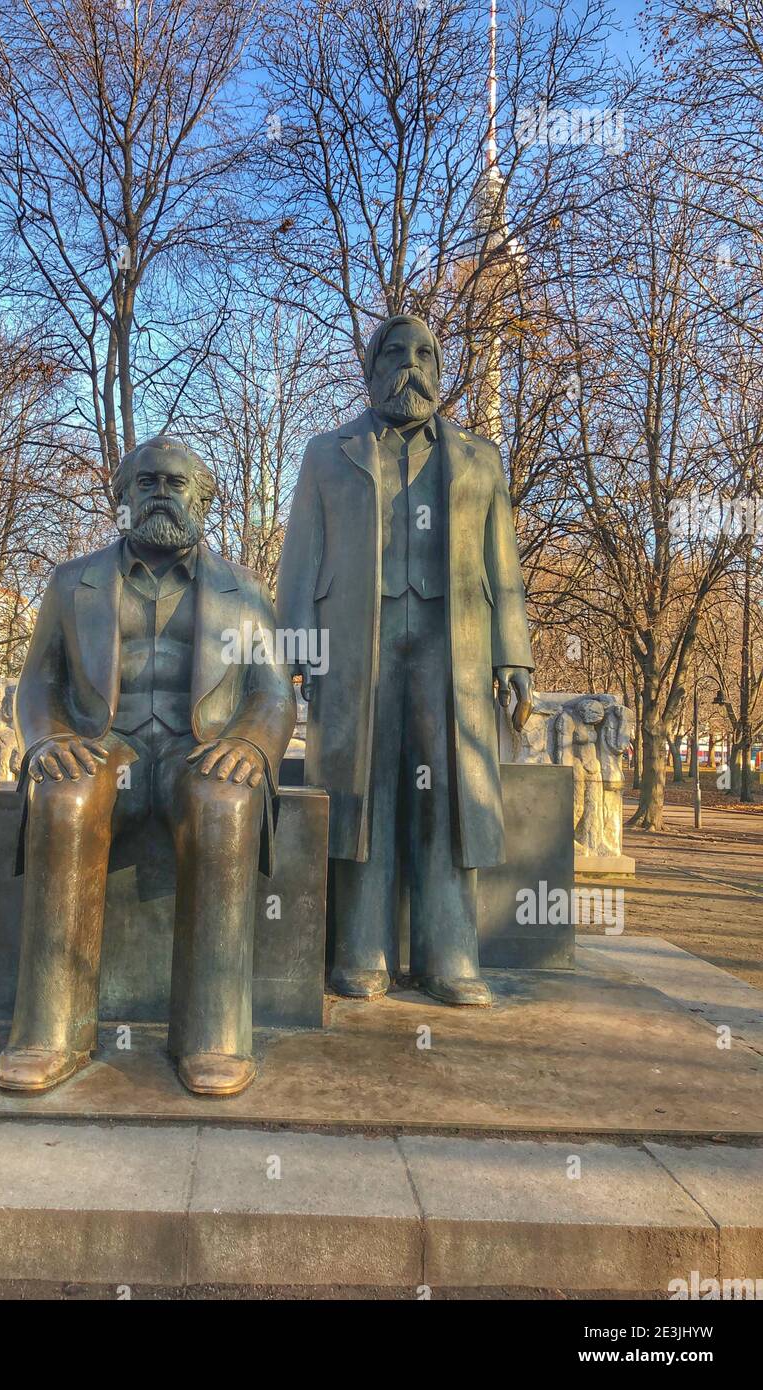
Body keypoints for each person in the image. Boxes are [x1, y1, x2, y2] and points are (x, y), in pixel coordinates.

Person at [0, 435, 295, 1098]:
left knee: (224, 800)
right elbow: (38, 683)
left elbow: (273, 694)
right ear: (120, 497)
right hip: (109, 746)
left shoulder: (243, 590)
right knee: (65, 796)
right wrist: (46, 741)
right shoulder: (71, 583)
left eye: (177, 482)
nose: (162, 492)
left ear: (205, 499)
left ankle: (212, 1036)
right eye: (147, 481)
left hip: (200, 748)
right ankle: (52, 1032)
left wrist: (249, 745)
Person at [277, 314, 535, 1006]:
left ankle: (448, 954)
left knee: (448, 790)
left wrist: (514, 656)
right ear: (369, 369)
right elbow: (301, 552)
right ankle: (360, 950)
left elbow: (501, 564)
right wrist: (292, 647)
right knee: (361, 789)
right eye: (395, 351)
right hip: (353, 637)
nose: (410, 365)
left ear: (440, 372)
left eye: (424, 354)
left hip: (454, 642)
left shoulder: (478, 457)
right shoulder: (327, 453)